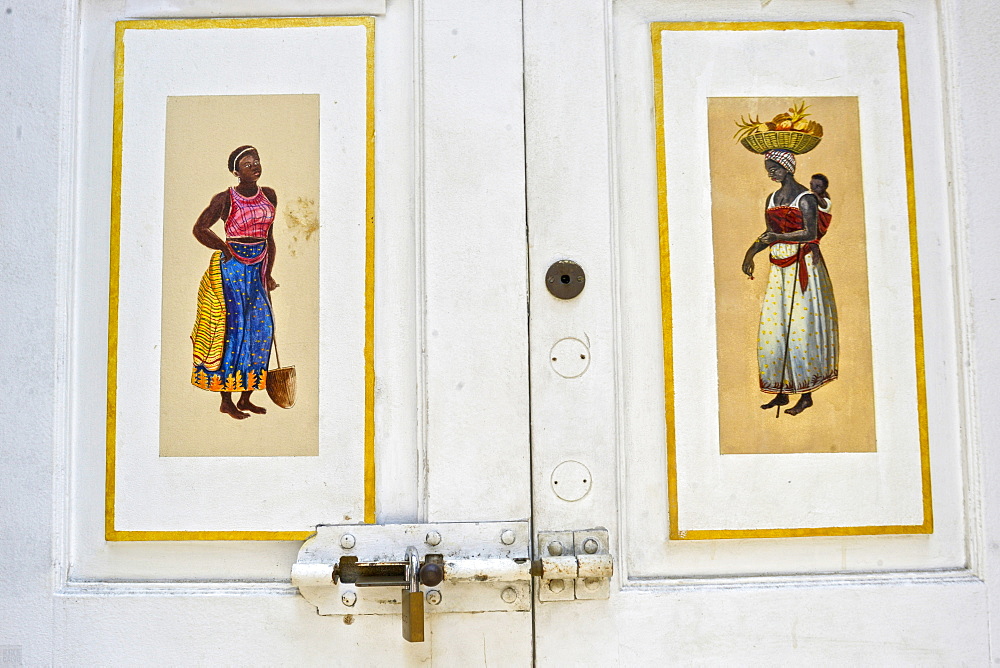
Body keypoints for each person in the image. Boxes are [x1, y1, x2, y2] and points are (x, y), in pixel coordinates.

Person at [741, 150, 838, 416]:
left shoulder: (805, 197)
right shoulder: (771, 198)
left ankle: (805, 395)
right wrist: (750, 253)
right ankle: (782, 391)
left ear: (788, 167)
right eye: (768, 168)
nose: (770, 172)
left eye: (774, 167)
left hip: (803, 264)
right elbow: (768, 235)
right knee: (777, 326)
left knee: (800, 327)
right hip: (779, 268)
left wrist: (778, 237)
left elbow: (809, 231)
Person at [190, 145, 280, 419]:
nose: (254, 166)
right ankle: (226, 400)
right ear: (235, 171)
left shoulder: (270, 196)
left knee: (261, 329)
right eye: (247, 163)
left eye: (257, 161)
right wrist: (225, 249)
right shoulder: (224, 199)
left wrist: (268, 273)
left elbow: (270, 238)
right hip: (233, 270)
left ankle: (246, 397)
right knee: (234, 332)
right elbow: (200, 228)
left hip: (258, 266)